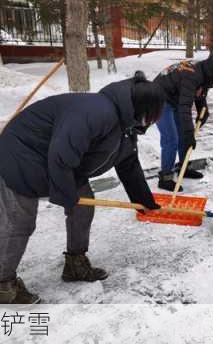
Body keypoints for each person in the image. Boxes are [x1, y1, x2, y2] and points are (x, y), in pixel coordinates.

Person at [0, 72, 165, 304]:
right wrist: (67, 196)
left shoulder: (126, 125)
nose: (155, 121)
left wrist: (144, 202)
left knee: (83, 208)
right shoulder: (97, 111)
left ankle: (75, 264)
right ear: (143, 108)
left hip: (60, 163)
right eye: (154, 115)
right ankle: (3, 285)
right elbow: (60, 155)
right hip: (21, 154)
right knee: (20, 221)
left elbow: (129, 165)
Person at [154, 54, 213, 191]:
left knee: (183, 134)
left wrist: (204, 109)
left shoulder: (204, 72)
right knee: (171, 139)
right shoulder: (191, 75)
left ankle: (183, 168)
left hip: (175, 98)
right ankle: (165, 178)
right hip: (158, 98)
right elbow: (184, 107)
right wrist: (189, 133)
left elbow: (199, 93)